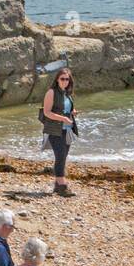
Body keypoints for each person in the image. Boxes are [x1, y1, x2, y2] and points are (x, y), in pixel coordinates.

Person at [40, 68, 78, 197]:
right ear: (57, 79)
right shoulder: (51, 92)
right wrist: (63, 118)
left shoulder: (66, 93)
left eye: (67, 79)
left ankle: (57, 184)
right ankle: (62, 185)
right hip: (54, 130)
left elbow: (66, 108)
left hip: (66, 130)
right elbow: (47, 112)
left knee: (63, 156)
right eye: (62, 79)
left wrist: (72, 113)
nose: (65, 81)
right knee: (60, 156)